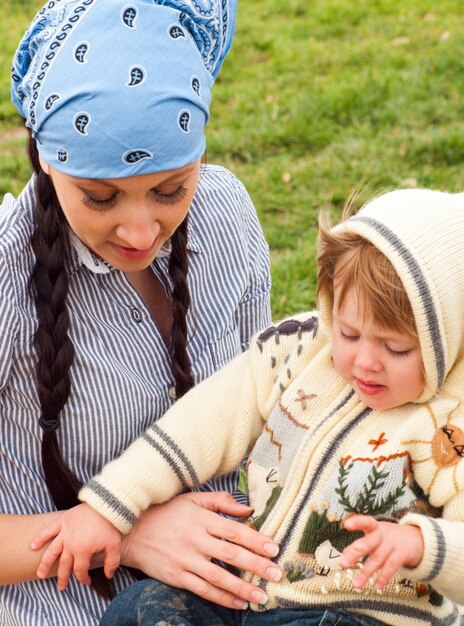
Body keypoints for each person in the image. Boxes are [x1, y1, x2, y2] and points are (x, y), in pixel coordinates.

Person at [32, 187, 464, 625]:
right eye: (350, 334)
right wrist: (110, 505)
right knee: (143, 608)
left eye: (396, 349)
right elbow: (202, 422)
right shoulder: (298, 351)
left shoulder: (451, 428)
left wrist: (422, 546)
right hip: (247, 592)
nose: (365, 361)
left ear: (448, 339)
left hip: (358, 613)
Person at [0, 0, 281, 624]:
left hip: (237, 593)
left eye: (170, 189)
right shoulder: (6, 275)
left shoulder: (225, 213)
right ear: (47, 156)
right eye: (100, 197)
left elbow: (268, 414)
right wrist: (122, 532)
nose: (138, 228)